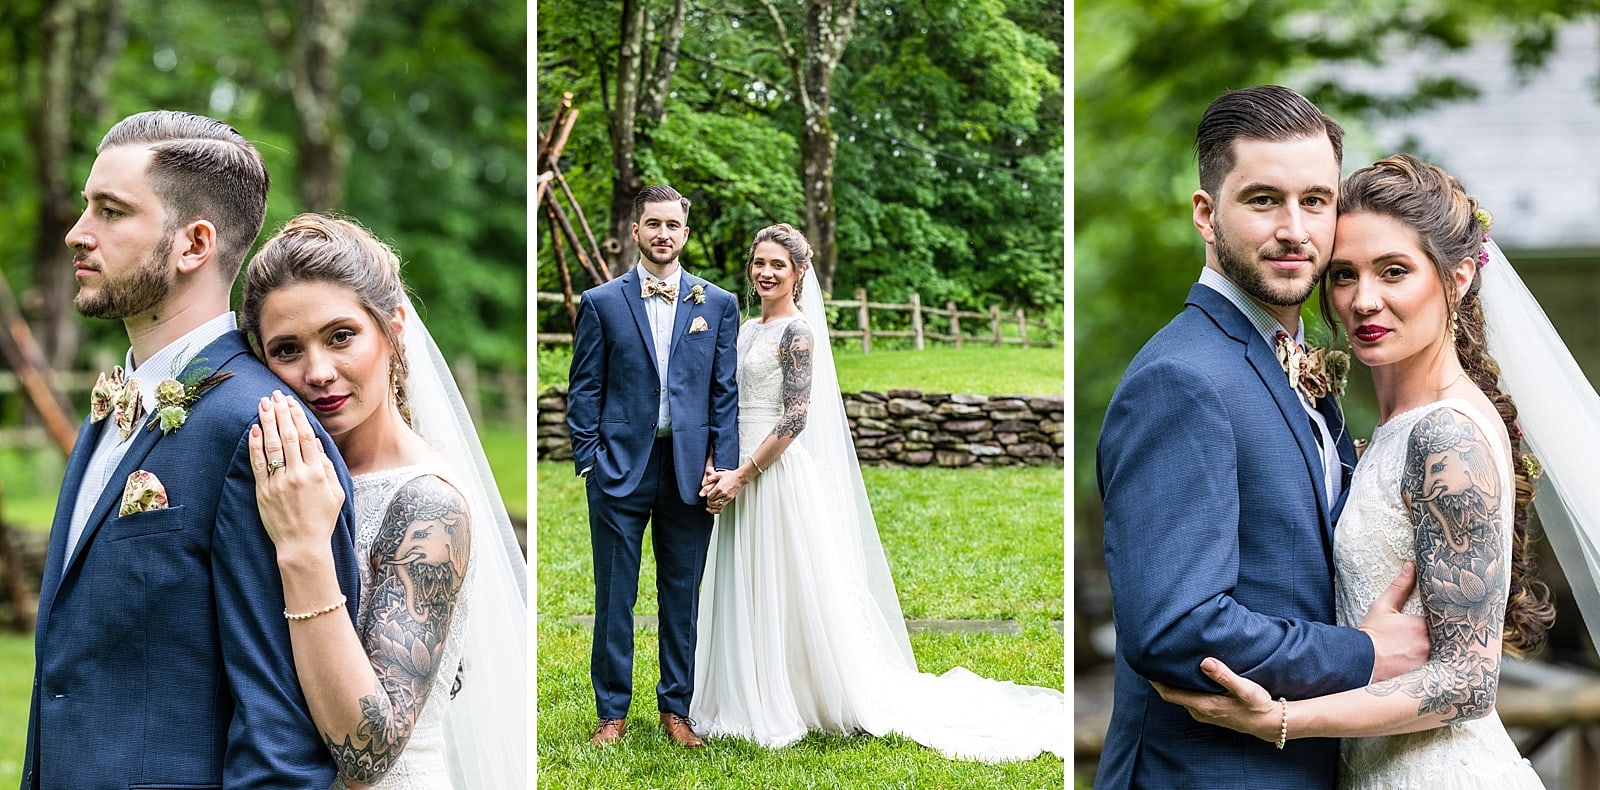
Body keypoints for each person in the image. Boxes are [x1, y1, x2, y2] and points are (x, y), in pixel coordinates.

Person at [1155, 154, 1554, 788]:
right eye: (1343, 275)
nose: (1363, 300)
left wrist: (1282, 718)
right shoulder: (1388, 427)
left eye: (1394, 271)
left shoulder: (1447, 434)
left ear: (1457, 279)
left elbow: (1468, 681)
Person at [1095, 85, 1431, 788]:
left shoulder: (1297, 365)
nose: (1294, 228)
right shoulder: (1183, 379)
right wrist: (1364, 657)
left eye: (1316, 200)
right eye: (1262, 200)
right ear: (1205, 213)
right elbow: (1179, 627)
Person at [24, 111, 362, 789]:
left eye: (111, 211)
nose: (77, 233)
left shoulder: (257, 430)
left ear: (194, 244)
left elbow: (282, 741)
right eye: (88, 205)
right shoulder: (112, 406)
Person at [689, 223, 1066, 761]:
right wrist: (715, 465)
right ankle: (740, 689)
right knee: (745, 584)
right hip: (733, 471)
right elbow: (722, 402)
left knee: (782, 586)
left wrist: (743, 474)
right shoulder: (746, 329)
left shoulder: (798, 334)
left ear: (798, 274)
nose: (766, 272)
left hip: (771, 475)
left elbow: (795, 417)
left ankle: (789, 694)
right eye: (759, 263)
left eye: (778, 264)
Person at [240, 213, 529, 788]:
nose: (318, 372)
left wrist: (304, 547)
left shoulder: (427, 504)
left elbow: (370, 752)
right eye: (287, 349)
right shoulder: (293, 476)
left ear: (393, 327)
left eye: (341, 336)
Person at [566, 184, 741, 748]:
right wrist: (590, 460)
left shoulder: (716, 304)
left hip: (691, 471)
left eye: (673, 225)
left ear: (685, 234)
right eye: (653, 224)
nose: (663, 234)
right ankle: (611, 712)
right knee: (615, 594)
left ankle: (676, 709)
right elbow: (584, 389)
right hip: (620, 469)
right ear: (636, 230)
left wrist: (723, 466)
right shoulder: (601, 302)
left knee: (681, 594)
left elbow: (724, 394)